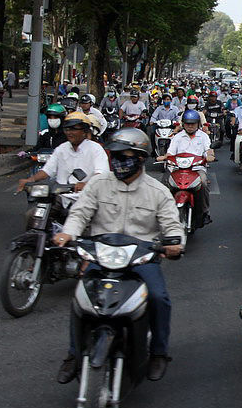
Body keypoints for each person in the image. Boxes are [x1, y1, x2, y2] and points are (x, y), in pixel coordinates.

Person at [52, 128, 184, 383]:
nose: (118, 162)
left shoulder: (157, 191)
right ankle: (73, 354)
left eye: (125, 156)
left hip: (141, 257)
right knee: (80, 299)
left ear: (140, 158)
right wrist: (67, 234)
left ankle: (158, 351)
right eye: (115, 156)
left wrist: (175, 245)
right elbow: (80, 213)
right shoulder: (98, 184)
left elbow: (172, 225)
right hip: (101, 255)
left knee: (159, 297)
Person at [17, 111, 111, 193]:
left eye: (74, 129)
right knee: (33, 212)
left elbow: (101, 174)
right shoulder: (61, 149)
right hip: (60, 196)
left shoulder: (96, 149)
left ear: (84, 131)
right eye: (67, 129)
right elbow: (47, 171)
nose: (70, 132)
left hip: (86, 197)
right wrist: (30, 180)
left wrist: (86, 184)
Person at [157, 109, 215, 227]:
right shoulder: (177, 137)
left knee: (203, 183)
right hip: (178, 168)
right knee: (164, 184)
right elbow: (171, 152)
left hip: (197, 169)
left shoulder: (203, 137)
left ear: (198, 124)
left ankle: (205, 212)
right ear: (183, 124)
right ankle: (162, 212)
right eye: (187, 123)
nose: (190, 126)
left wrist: (210, 156)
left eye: (192, 123)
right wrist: (164, 157)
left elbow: (208, 150)